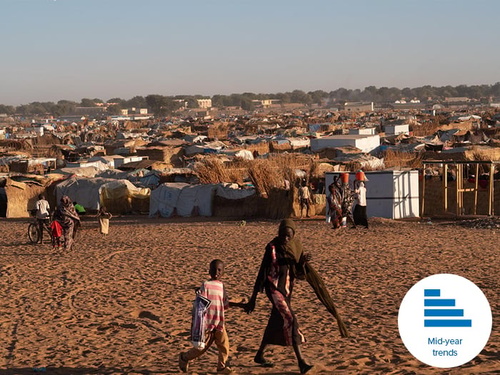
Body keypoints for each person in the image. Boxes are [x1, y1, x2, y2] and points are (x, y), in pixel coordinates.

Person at [245, 219, 314, 374]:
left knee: (275, 321)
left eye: (288, 236)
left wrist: (302, 262)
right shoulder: (272, 248)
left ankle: (259, 355)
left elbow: (299, 273)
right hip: (273, 289)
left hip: (287, 290)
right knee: (290, 319)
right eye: (283, 235)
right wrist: (253, 298)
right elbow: (262, 273)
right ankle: (301, 362)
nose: (285, 239)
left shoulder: (295, 247)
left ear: (293, 235)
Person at [179, 259, 236, 374]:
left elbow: (225, 304)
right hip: (207, 324)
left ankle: (221, 367)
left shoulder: (222, 286)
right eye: (214, 269)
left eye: (219, 270)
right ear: (209, 271)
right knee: (201, 348)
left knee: (224, 346)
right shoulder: (206, 285)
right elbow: (200, 303)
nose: (216, 272)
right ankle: (184, 358)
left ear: (223, 272)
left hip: (219, 322)